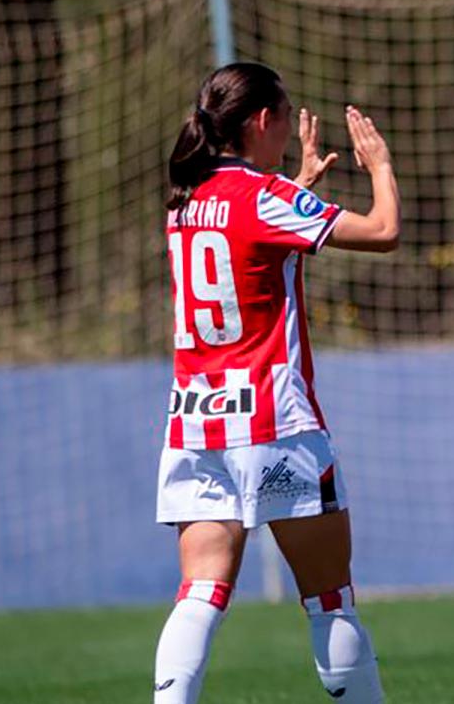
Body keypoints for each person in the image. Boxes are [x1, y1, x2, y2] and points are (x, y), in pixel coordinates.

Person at [154, 62, 400, 704]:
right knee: (330, 600)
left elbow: (249, 243)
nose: (290, 132)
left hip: (197, 424)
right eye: (286, 118)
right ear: (262, 120)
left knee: (200, 593)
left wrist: (300, 186)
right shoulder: (266, 197)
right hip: (275, 425)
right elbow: (383, 231)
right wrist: (379, 165)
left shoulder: (185, 200)